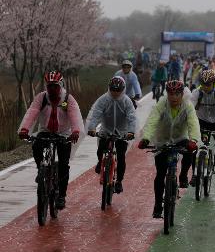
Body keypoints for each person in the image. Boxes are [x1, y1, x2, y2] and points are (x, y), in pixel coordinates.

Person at [18, 71, 85, 210]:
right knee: (36, 146)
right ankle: (41, 170)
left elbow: (75, 116)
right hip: (45, 131)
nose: (52, 89)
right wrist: (24, 129)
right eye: (49, 86)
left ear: (61, 85)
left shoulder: (67, 99)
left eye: (55, 86)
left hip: (63, 133)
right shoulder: (41, 98)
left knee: (63, 164)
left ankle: (61, 196)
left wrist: (76, 131)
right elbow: (32, 112)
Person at [138, 80, 200, 218]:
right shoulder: (161, 104)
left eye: (177, 94)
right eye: (171, 94)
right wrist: (146, 138)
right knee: (160, 174)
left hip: (180, 138)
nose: (174, 97)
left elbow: (193, 123)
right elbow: (152, 121)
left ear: (182, 94)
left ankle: (183, 175)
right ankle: (157, 205)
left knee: (190, 151)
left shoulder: (188, 106)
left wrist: (194, 140)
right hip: (162, 140)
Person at [85, 76, 136, 194]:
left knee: (121, 156)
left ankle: (119, 181)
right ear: (109, 88)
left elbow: (132, 117)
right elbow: (96, 113)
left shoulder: (126, 101)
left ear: (123, 90)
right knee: (100, 150)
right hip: (106, 130)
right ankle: (100, 161)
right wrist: (92, 128)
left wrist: (131, 131)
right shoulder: (103, 99)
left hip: (122, 132)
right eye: (113, 90)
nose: (115, 93)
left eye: (118, 90)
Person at [191, 69, 215, 174]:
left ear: (214, 83)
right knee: (195, 148)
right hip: (202, 120)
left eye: (208, 84)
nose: (205, 87)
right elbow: (189, 109)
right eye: (203, 84)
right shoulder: (197, 93)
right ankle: (195, 175)